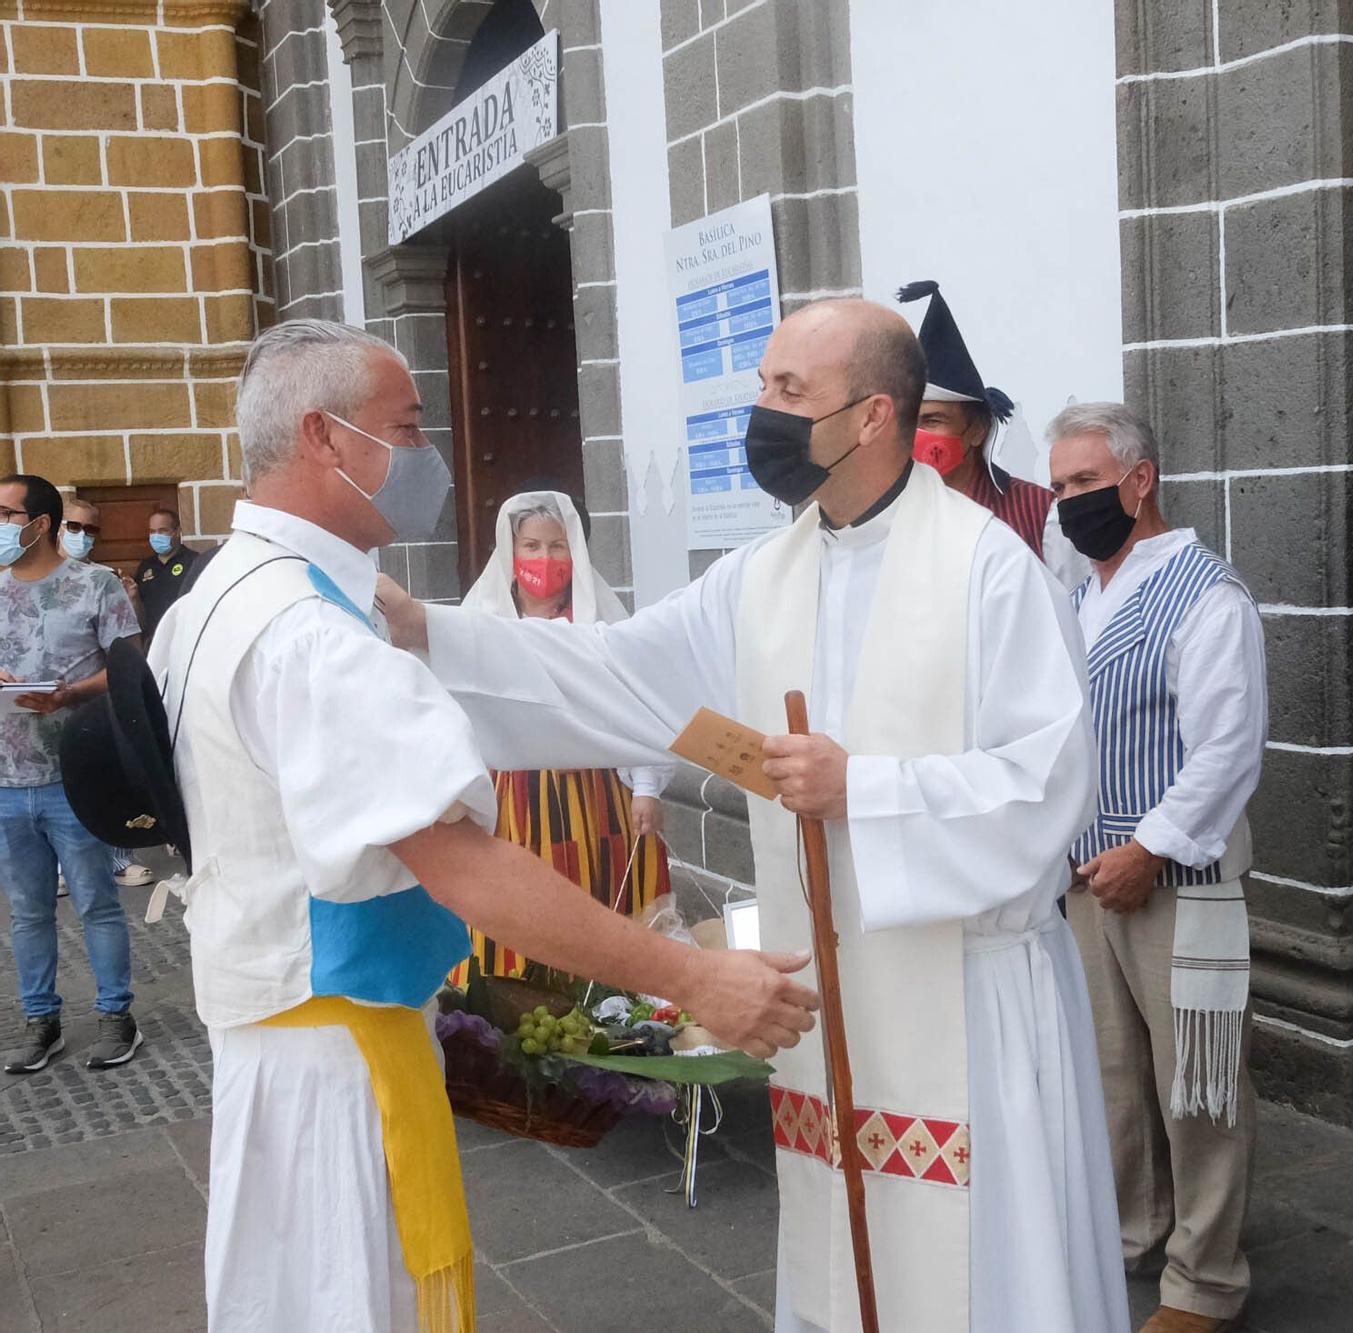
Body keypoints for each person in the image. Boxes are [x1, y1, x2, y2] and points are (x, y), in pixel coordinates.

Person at [378, 298, 1129, 1333]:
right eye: (762, 386)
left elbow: (1049, 783)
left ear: (871, 416)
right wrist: (434, 635)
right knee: (843, 1256)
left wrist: (860, 786)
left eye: (786, 390)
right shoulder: (762, 573)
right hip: (831, 980)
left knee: (979, 1274)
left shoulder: (988, 569)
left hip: (968, 992)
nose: (761, 412)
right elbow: (613, 672)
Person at [152, 319, 816, 1332]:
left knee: (279, 1298)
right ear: (326, 438)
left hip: (271, 1017)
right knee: (359, 1297)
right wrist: (692, 977)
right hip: (341, 1046)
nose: (428, 456)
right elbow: (465, 868)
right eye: (408, 427)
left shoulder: (215, 596)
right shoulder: (314, 638)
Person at [1051, 403, 1266, 1333]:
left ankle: (1207, 1281)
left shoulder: (1206, 592)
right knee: (1111, 1075)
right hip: (1087, 881)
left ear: (1141, 480)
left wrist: (1150, 847)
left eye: (1087, 483)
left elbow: (1227, 748)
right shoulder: (1075, 594)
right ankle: (1134, 1233)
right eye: (1059, 487)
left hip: (1178, 878)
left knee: (1201, 1083)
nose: (1070, 502)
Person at [453, 490, 671, 980]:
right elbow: (456, 709)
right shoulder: (479, 619)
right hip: (513, 795)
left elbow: (638, 704)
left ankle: (611, 1007)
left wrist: (647, 787)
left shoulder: (602, 621)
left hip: (597, 793)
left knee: (599, 891)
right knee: (520, 899)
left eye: (557, 546)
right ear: (511, 552)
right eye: (531, 546)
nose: (544, 559)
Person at [0, 475, 143, 1074]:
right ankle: (42, 1023)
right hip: (8, 779)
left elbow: (130, 669)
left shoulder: (95, 584)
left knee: (96, 903)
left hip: (77, 777)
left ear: (40, 523)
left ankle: (117, 1016)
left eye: (6, 513)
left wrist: (72, 694)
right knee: (27, 912)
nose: (0, 524)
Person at [897, 279, 1090, 588]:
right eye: (911, 422)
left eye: (933, 420)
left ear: (977, 430)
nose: (918, 434)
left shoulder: (1040, 514)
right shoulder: (893, 516)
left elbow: (1075, 614)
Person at [61, 497, 156, 890]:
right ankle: (64, 867)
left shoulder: (104, 578)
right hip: (44, 712)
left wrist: (133, 599)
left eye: (91, 530)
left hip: (99, 701)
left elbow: (130, 643)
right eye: (75, 527)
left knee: (111, 779)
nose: (83, 537)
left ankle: (120, 857)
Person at [134, 504, 197, 639]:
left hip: (184, 638)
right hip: (152, 641)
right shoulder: (145, 566)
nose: (156, 536)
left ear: (177, 531)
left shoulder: (195, 562)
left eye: (162, 531)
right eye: (152, 531)